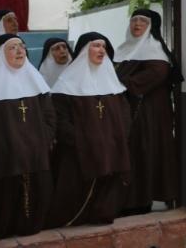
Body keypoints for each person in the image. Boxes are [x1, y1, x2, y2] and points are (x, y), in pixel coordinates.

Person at [0, 34, 54, 244]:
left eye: (22, 47)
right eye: (13, 47)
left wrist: (46, 138)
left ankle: (27, 227)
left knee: (32, 197)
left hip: (33, 153)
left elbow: (49, 115)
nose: (20, 51)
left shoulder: (35, 81)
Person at [46, 32, 130, 227]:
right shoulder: (66, 84)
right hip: (78, 152)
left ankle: (103, 216)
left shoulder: (113, 82)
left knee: (109, 188)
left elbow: (124, 111)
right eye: (96, 46)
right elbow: (61, 119)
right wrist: (80, 140)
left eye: (103, 46)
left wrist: (121, 135)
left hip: (111, 146)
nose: (101, 50)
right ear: (84, 51)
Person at [114, 9, 179, 213]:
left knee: (144, 150)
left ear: (151, 27)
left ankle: (141, 200)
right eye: (134, 20)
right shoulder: (125, 48)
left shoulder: (154, 50)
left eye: (143, 21)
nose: (137, 24)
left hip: (149, 112)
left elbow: (156, 73)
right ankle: (130, 198)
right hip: (131, 109)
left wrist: (121, 83)